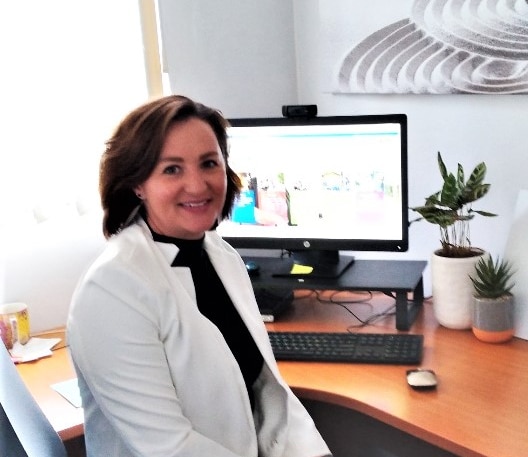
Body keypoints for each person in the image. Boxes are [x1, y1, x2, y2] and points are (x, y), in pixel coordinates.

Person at [67, 95, 331, 457]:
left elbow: (268, 399)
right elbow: (169, 448)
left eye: (209, 163)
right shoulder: (112, 289)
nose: (197, 185)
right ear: (137, 183)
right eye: (172, 169)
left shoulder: (220, 255)